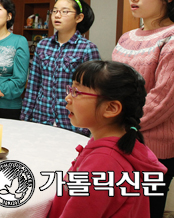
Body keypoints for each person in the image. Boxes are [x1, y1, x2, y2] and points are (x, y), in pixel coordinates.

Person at [47, 60, 167, 218]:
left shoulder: (104, 164)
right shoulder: (114, 146)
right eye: (70, 89)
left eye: (77, 92)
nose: (68, 98)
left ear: (111, 108)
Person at [112, 0, 174, 218]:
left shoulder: (170, 38)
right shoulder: (127, 38)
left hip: (153, 146)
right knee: (120, 206)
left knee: (146, 210)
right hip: (120, 136)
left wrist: (122, 124)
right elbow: (114, 84)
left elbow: (163, 100)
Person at [21, 0, 100, 135]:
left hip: (73, 122)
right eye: (55, 11)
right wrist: (24, 119)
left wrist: (88, 126)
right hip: (41, 118)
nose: (57, 15)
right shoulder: (42, 45)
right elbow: (33, 85)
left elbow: (92, 92)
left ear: (79, 17)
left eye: (65, 11)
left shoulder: (87, 48)